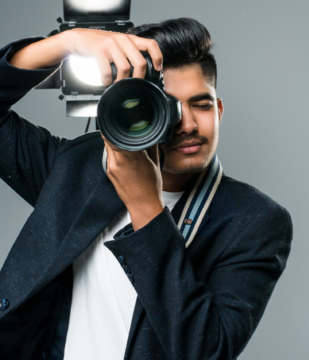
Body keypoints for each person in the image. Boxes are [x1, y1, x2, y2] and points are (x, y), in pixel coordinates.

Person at [0, 18, 292, 360]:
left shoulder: (253, 221)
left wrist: (146, 206)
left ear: (219, 110)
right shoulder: (79, 169)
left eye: (202, 105)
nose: (188, 125)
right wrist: (66, 43)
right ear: (133, 109)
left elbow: (206, 352)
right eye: (168, 107)